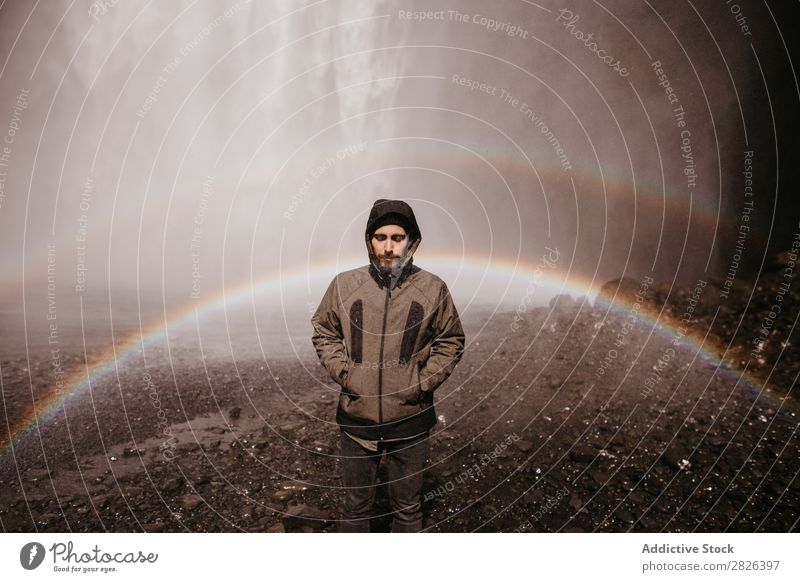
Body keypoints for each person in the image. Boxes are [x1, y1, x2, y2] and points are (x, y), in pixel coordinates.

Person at [311, 198, 465, 532]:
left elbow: (452, 339)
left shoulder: (432, 288)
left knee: (408, 511)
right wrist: (346, 374)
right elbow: (324, 330)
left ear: (411, 242)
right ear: (370, 241)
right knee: (354, 510)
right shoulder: (343, 284)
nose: (389, 246)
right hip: (357, 421)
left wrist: (421, 383)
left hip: (410, 422)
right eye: (381, 237)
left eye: (397, 238)